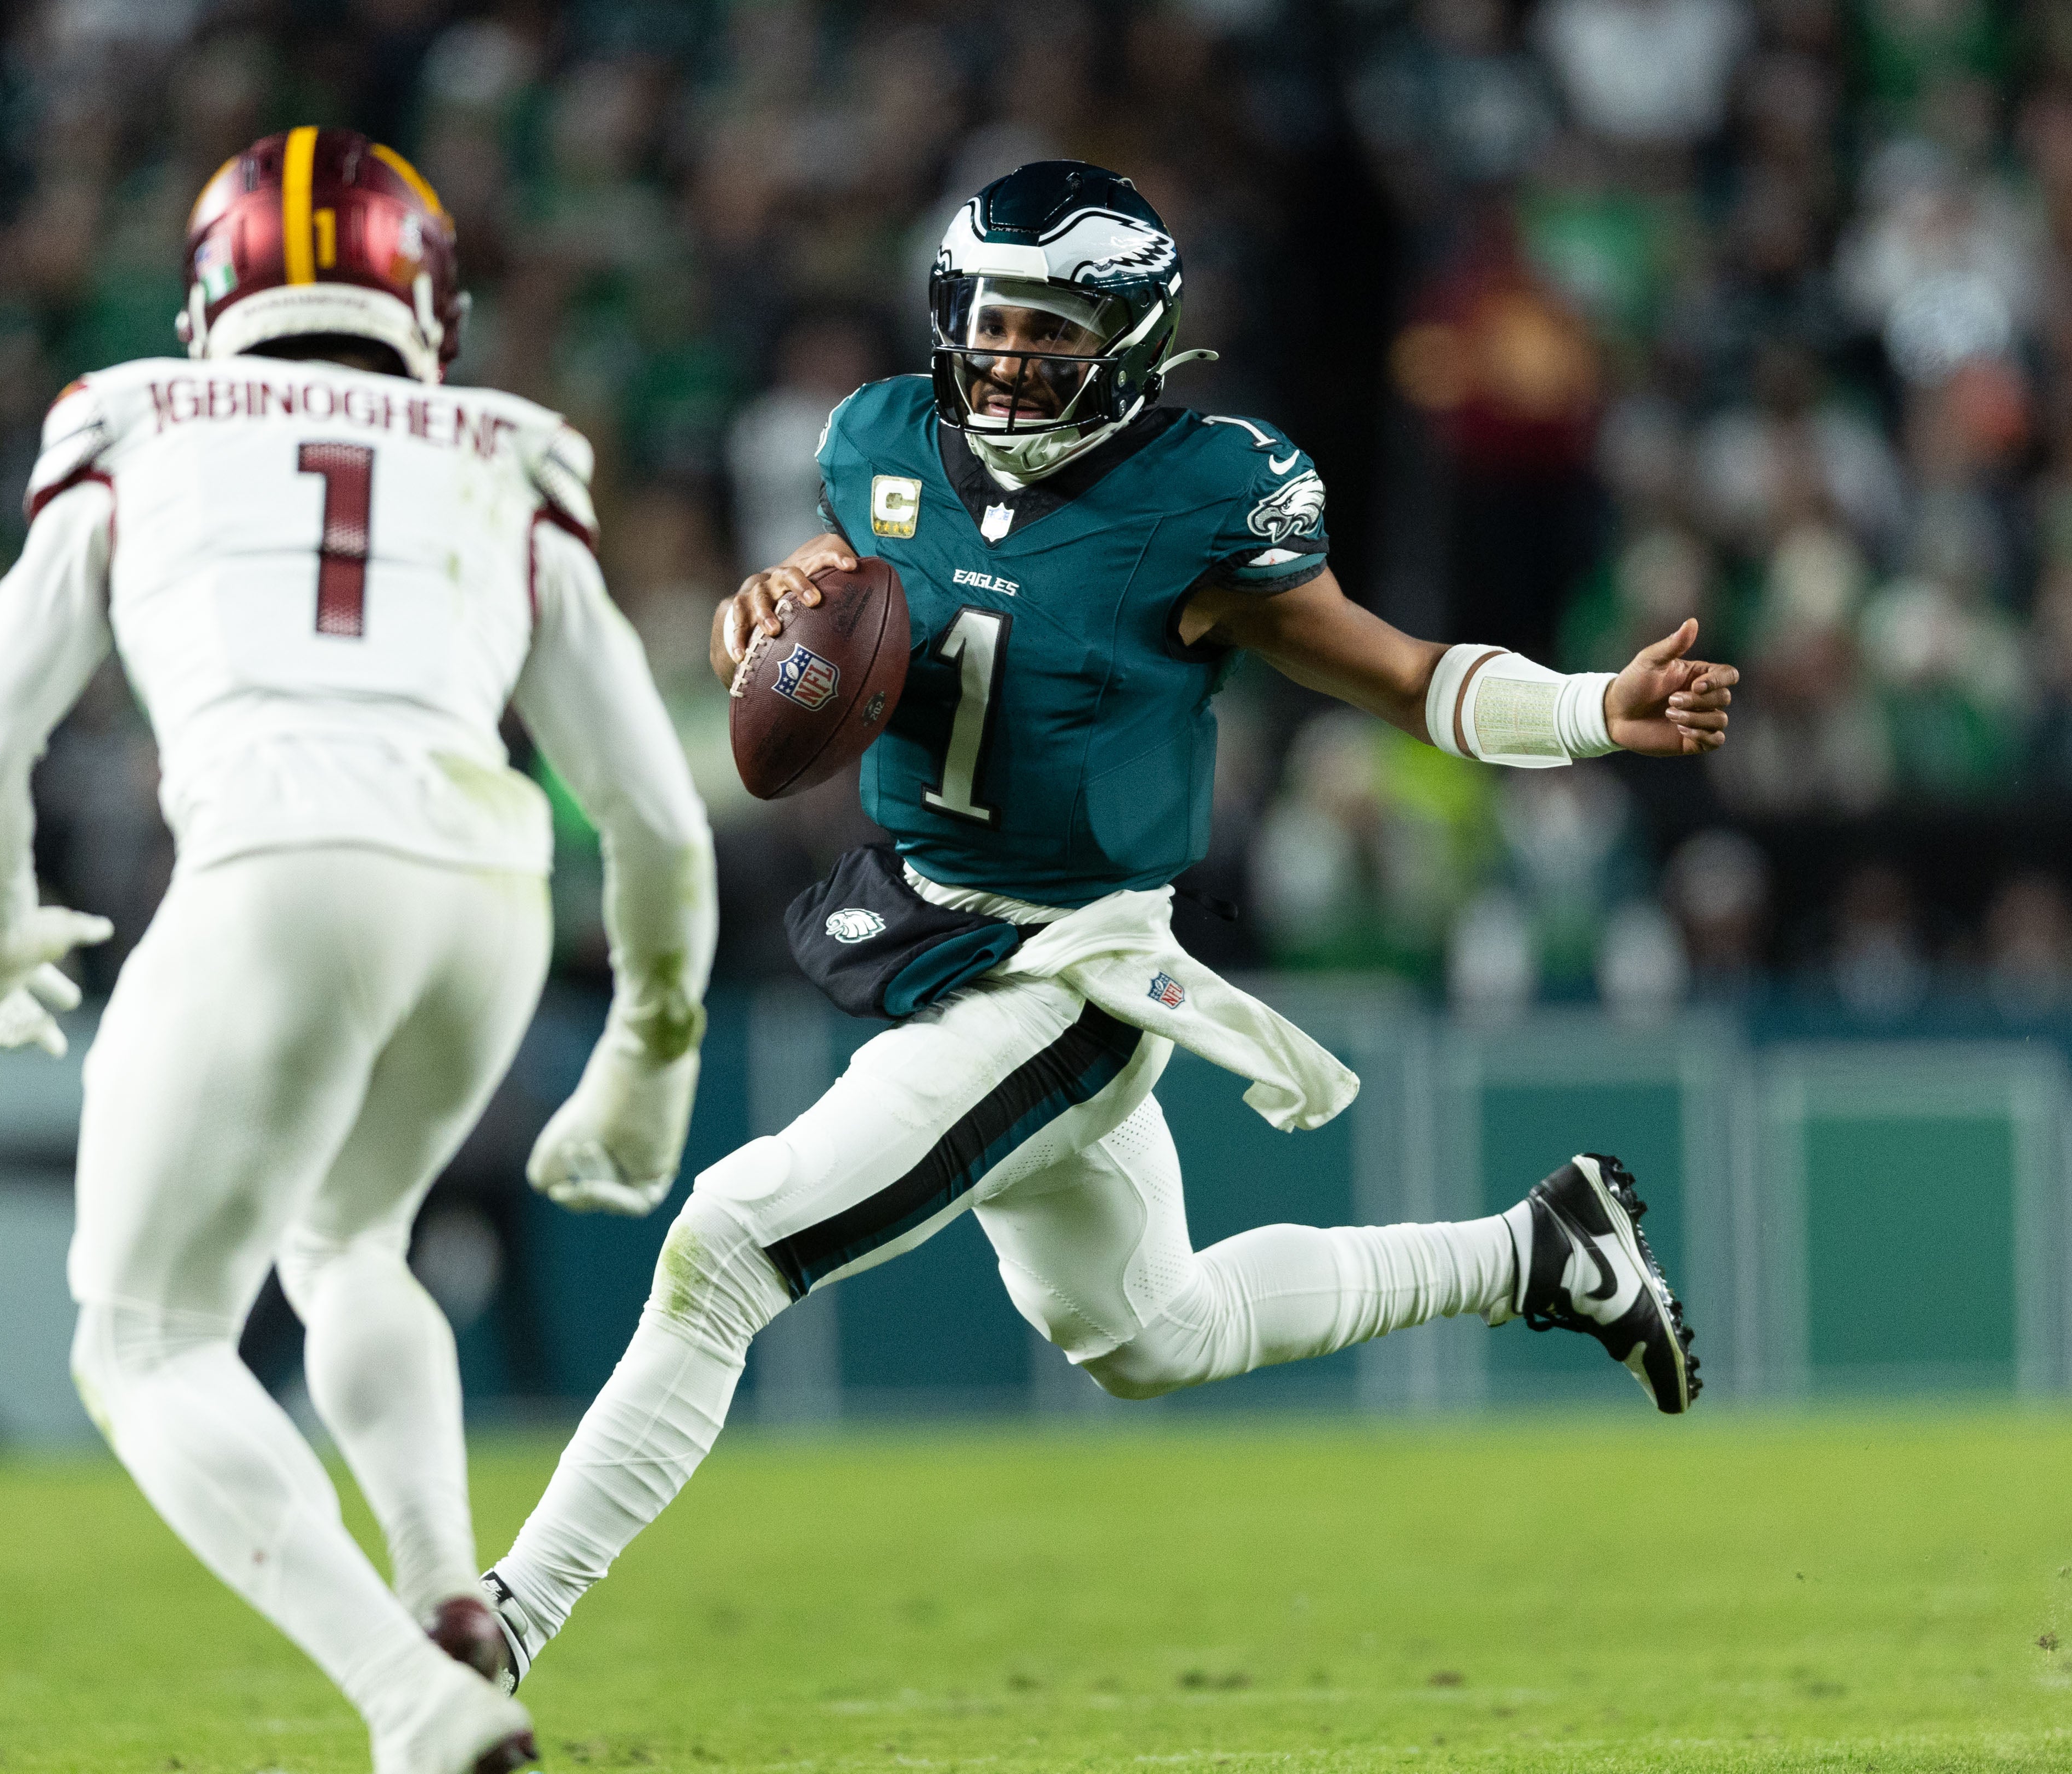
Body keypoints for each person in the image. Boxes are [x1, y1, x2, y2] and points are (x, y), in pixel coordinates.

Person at [475, 163, 1739, 1688]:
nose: (1011, 357)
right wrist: (775, 603)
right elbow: (857, 592)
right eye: (994, 322)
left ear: (1132, 340)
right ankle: (1538, 1250)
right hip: (929, 927)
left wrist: (1594, 710)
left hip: (1064, 969)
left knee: (727, 1244)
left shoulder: (1203, 497)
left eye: (1053, 328)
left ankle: (501, 1623)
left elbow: (1399, 675)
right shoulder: (875, 438)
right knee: (1150, 1331)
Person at [0, 128, 715, 1774]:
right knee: (351, 1236)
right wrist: (654, 1044)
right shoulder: (505, 448)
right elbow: (652, 815)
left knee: (142, 1338)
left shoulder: (134, 416)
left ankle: (413, 1693)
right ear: (427, 297)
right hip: (483, 881)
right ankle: (448, 1588)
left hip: (278, 853)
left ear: (211, 291)